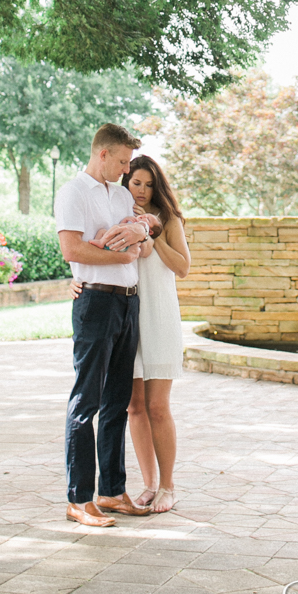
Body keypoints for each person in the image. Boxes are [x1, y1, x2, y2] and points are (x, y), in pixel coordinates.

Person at [71, 154, 190, 516]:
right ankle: (149, 485)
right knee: (134, 407)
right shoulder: (118, 217)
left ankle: (169, 486)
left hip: (161, 317)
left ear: (158, 187)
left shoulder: (166, 220)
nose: (141, 190)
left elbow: (183, 267)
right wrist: (76, 279)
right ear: (127, 183)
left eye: (149, 184)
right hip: (127, 317)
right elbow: (91, 252)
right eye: (135, 182)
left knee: (157, 406)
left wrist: (156, 243)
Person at [55, 123, 154, 528]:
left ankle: (111, 492)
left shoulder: (122, 195)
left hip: (128, 305)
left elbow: (141, 244)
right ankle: (79, 499)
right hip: (95, 302)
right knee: (87, 402)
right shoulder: (73, 193)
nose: (127, 170)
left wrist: (135, 237)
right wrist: (122, 255)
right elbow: (72, 248)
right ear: (102, 154)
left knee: (117, 403)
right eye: (122, 161)